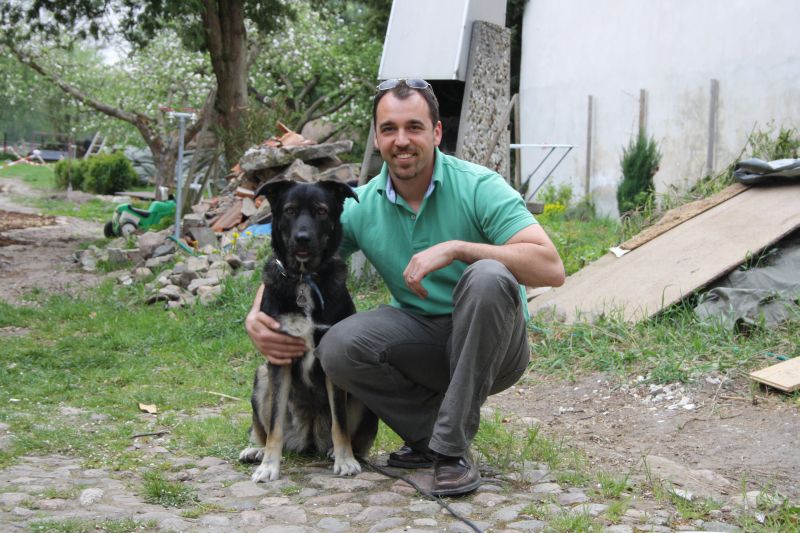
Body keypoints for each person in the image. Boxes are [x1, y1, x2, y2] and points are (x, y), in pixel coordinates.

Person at [245, 78, 565, 496]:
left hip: (495, 344)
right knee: (337, 346)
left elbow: (550, 267)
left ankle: (450, 453)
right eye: (389, 129)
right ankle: (429, 437)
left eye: (414, 127)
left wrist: (458, 249)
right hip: (422, 342)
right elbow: (295, 260)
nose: (401, 140)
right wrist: (258, 313)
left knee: (487, 275)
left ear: (436, 132)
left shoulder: (479, 186)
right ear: (378, 139)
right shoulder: (361, 204)